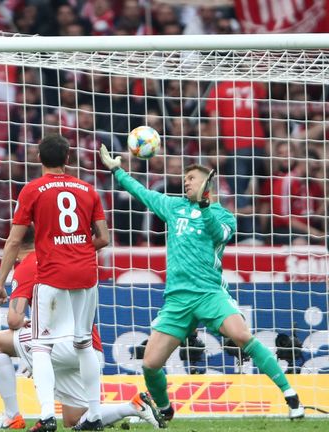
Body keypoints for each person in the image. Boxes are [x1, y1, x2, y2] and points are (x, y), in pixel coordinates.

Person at [98, 144, 305, 421]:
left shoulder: (223, 215)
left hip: (209, 293)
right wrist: (117, 170)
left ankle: (291, 395)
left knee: (242, 336)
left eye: (191, 179)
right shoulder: (174, 207)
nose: (185, 184)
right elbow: (143, 193)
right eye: (184, 181)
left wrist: (206, 207)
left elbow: (218, 234)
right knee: (150, 363)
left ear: (207, 183)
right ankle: (165, 409)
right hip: (177, 299)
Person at [0, 229, 162, 430]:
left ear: (15, 245)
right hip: (88, 347)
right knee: (74, 420)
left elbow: (14, 320)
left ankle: (12, 416)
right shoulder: (62, 258)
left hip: (57, 344)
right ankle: (133, 406)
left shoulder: (28, 265)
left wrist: (29, 343)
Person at [0, 134, 109, 431]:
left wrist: (0, 283)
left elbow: (14, 240)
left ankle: (46, 416)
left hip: (52, 275)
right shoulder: (87, 189)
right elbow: (104, 238)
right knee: (84, 343)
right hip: (86, 275)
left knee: (42, 347)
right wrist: (79, 249)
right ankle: (94, 415)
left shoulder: (32, 190)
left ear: (38, 158)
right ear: (68, 159)